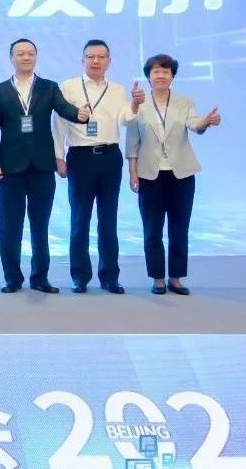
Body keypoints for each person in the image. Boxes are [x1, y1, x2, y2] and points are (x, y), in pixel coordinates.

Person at [0, 39, 89, 294]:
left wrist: (79, 114)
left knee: (40, 226)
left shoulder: (48, 87)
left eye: (30, 53)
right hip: (10, 168)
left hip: (42, 167)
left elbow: (64, 108)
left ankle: (40, 277)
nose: (26, 57)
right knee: (10, 226)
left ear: (36, 57)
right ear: (12, 58)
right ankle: (12, 278)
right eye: (20, 53)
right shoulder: (0, 90)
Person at [53, 39, 144, 294]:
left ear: (109, 61)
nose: (96, 61)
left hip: (109, 157)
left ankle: (110, 277)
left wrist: (135, 104)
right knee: (79, 219)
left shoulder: (117, 90)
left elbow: (126, 119)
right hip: (80, 157)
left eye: (101, 57)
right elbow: (59, 124)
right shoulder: (69, 86)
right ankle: (80, 277)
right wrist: (58, 156)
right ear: (82, 60)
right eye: (90, 57)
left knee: (108, 219)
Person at [126, 53, 221, 295]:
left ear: (172, 76)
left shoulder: (185, 102)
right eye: (156, 71)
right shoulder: (138, 104)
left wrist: (206, 122)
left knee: (179, 228)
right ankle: (158, 278)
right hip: (150, 175)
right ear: (148, 76)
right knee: (152, 229)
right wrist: (133, 173)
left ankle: (176, 278)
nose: (161, 75)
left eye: (166, 71)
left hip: (181, 175)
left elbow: (194, 125)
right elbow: (132, 143)